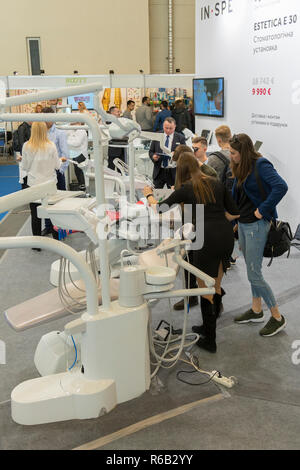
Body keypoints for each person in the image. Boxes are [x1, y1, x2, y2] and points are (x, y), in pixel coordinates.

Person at [144, 152, 240, 353]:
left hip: (205, 239)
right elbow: (234, 213)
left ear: (181, 170)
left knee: (204, 287)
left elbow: (159, 209)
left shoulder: (187, 188)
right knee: (216, 284)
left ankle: (210, 340)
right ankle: (207, 327)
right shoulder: (216, 183)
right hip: (225, 236)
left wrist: (148, 194)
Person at [230, 133, 288, 337]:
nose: (231, 156)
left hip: (256, 224)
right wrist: (236, 221)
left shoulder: (261, 164)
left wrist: (262, 209)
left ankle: (277, 317)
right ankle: (256, 310)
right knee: (251, 269)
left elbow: (281, 187)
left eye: (234, 153)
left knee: (254, 273)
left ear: (244, 152)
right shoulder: (241, 166)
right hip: (244, 224)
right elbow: (239, 195)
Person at [171, 145, 217, 312]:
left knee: (202, 266)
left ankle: (212, 298)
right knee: (187, 261)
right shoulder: (188, 174)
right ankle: (190, 296)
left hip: (203, 223)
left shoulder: (209, 174)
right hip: (188, 221)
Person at [21, 122, 67, 246]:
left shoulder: (26, 146)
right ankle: (57, 241)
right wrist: (61, 160)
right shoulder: (51, 145)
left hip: (34, 185)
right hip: (50, 185)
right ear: (44, 131)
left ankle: (36, 244)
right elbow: (57, 166)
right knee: (52, 212)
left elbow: (25, 167)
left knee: (35, 214)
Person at [149, 117, 185, 188]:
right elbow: (151, 151)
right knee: (156, 194)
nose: (168, 130)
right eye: (166, 128)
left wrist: (177, 154)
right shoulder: (157, 135)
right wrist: (153, 157)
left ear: (175, 126)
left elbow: (184, 154)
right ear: (163, 126)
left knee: (173, 195)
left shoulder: (180, 138)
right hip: (159, 171)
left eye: (171, 128)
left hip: (173, 172)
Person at [67, 123, 88, 190]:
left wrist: (67, 140)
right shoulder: (72, 130)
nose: (71, 124)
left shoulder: (81, 130)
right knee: (77, 171)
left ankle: (83, 187)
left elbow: (76, 143)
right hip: (75, 154)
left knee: (80, 172)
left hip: (81, 155)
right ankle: (81, 186)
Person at [107, 106, 127, 170]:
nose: (119, 113)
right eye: (117, 112)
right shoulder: (108, 122)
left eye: (119, 112)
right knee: (111, 168)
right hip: (113, 148)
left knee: (122, 168)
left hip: (122, 147)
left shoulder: (122, 120)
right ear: (112, 113)